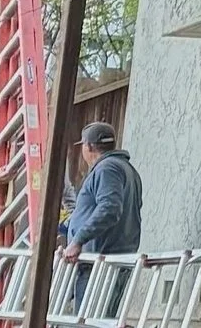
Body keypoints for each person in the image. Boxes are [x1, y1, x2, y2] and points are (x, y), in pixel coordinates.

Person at [56, 122, 142, 317]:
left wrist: (78, 240)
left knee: (89, 320)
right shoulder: (127, 170)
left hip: (100, 263)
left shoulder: (107, 169)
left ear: (89, 146)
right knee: (98, 320)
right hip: (111, 261)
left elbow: (109, 209)